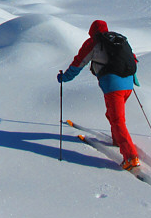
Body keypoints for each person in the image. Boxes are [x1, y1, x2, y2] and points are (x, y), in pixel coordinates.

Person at [58, 19, 141, 170]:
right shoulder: (118, 39)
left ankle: (131, 157)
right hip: (128, 84)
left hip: (112, 85)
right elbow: (132, 59)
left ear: (91, 31)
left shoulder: (93, 43)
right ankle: (118, 141)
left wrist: (65, 78)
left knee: (117, 120)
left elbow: (78, 63)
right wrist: (133, 80)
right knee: (112, 115)